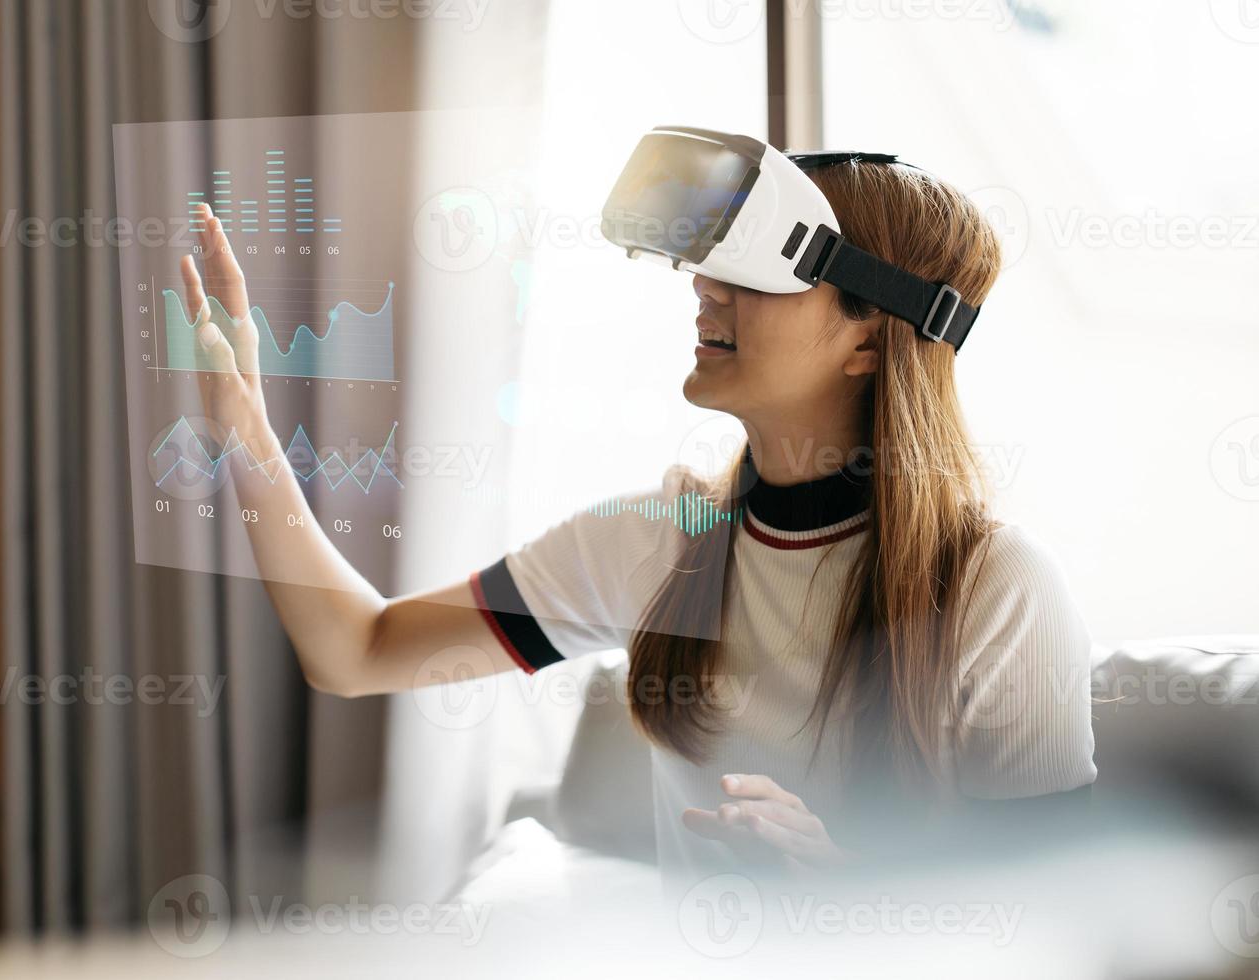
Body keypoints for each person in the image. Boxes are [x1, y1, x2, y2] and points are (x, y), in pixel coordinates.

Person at [175, 155, 1095, 885]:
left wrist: (840, 880)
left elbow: (1056, 913)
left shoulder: (997, 588)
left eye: (758, 270)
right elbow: (357, 650)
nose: (702, 287)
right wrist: (248, 431)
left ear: (868, 335)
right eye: (707, 262)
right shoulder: (660, 541)